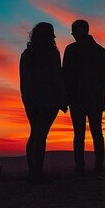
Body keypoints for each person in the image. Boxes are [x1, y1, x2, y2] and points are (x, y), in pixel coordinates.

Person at [19, 22, 67, 184]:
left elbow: (23, 81)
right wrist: (62, 99)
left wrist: (25, 98)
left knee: (35, 133)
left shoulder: (26, 54)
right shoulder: (52, 54)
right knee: (40, 135)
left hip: (30, 100)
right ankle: (37, 174)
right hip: (48, 100)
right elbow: (57, 78)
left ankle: (33, 172)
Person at [63, 19, 105, 177]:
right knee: (96, 133)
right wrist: (101, 96)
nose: (71, 34)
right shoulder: (100, 50)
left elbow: (65, 76)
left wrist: (66, 97)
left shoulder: (71, 50)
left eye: (73, 30)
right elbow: (104, 79)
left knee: (80, 134)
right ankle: (97, 169)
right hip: (92, 99)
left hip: (78, 99)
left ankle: (81, 170)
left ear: (81, 30)